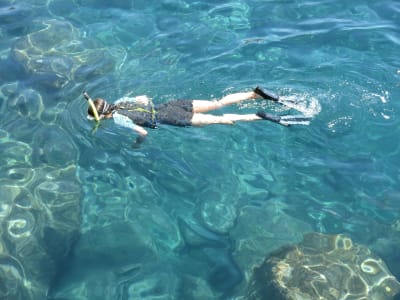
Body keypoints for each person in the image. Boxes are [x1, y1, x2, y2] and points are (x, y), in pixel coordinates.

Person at [83, 87, 310, 146]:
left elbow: (142, 132)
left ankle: (258, 116)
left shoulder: (118, 118)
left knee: (222, 119)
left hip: (172, 119)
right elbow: (144, 98)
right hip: (174, 105)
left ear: (103, 115)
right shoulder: (122, 101)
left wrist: (137, 143)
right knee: (217, 103)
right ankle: (255, 94)